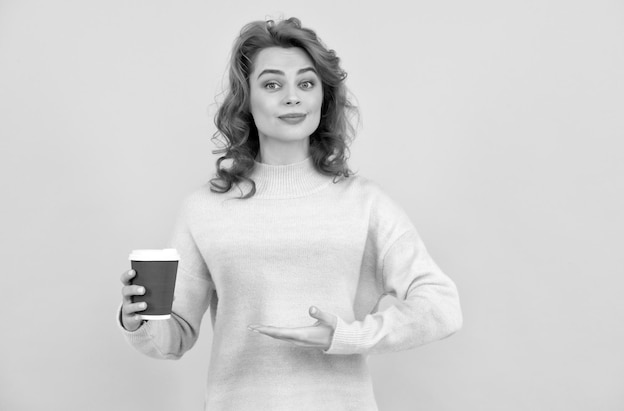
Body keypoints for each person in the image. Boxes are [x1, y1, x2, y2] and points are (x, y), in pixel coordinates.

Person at [118, 17, 462, 411]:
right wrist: (138, 318)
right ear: (246, 100)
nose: (292, 97)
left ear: (322, 97)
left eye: (306, 82)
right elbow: (174, 336)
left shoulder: (364, 204)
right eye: (272, 84)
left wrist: (351, 335)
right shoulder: (205, 210)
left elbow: (443, 307)